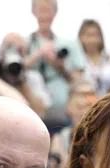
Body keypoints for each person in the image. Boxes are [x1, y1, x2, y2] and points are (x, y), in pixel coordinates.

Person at [25, 0, 86, 128]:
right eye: (41, 10)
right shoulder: (25, 43)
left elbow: (79, 80)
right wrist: (38, 55)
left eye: (48, 10)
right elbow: (14, 72)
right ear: (33, 12)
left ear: (55, 13)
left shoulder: (69, 45)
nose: (44, 15)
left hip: (64, 113)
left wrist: (59, 65)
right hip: (32, 113)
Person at [78, 19, 110, 95]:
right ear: (80, 37)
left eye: (95, 35)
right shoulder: (77, 61)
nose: (92, 40)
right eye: (88, 35)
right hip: (85, 102)